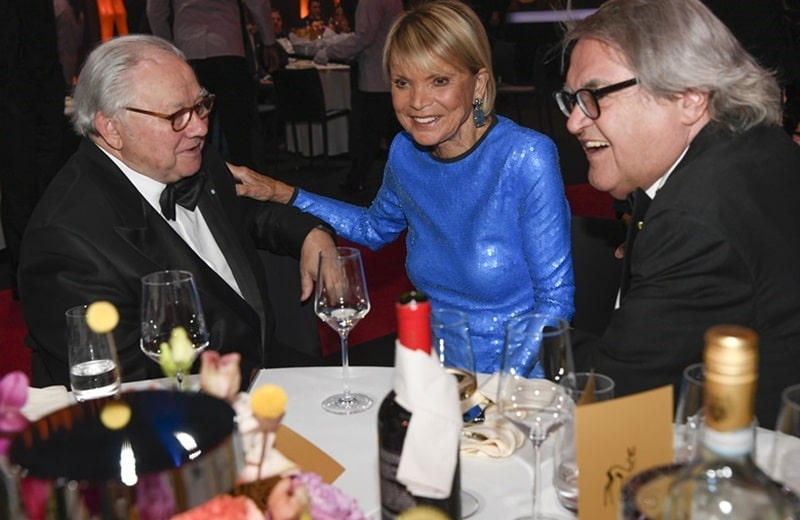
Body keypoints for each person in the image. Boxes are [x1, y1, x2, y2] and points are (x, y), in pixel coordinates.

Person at [231, 0, 575, 374]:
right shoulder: (405, 153)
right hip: (434, 372)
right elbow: (373, 228)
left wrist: (496, 392)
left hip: (518, 381)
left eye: (439, 81)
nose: (416, 102)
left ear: (478, 84)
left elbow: (555, 303)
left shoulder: (525, 156)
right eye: (402, 83)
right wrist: (283, 193)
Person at [18, 35, 337, 389]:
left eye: (201, 106)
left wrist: (310, 232)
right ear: (112, 128)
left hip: (265, 366)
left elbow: (245, 212)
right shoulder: (66, 242)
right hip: (187, 408)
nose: (200, 128)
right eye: (176, 115)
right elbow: (127, 389)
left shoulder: (182, 158)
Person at [556, 0, 800, 426]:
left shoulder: (694, 218)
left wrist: (515, 334)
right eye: (573, 100)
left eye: (594, 96)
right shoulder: (758, 145)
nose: (574, 122)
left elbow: (611, 390)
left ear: (688, 99)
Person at [147, 0, 280, 173]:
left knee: (192, 128)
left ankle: (197, 187)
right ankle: (249, 189)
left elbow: (155, 11)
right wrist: (269, 42)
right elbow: (257, 4)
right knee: (241, 132)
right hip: (229, 50)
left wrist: (169, 50)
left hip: (189, 52)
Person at [0, 0, 66, 301]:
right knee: (19, 190)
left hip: (46, 87)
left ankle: (53, 268)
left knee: (50, 186)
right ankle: (25, 279)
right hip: (11, 93)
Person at [313, 0, 404, 193]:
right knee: (394, 136)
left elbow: (364, 37)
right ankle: (404, 183)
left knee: (367, 135)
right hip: (391, 74)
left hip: (374, 79)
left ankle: (357, 180)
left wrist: (329, 52)